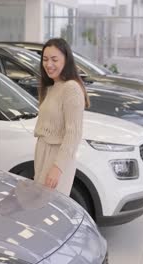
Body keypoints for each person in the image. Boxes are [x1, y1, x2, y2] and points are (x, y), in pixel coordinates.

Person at [33, 38, 90, 195]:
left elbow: (73, 133)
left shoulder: (71, 88)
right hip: (43, 153)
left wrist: (57, 168)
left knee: (48, 207)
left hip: (57, 157)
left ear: (66, 60)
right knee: (40, 206)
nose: (48, 64)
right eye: (45, 59)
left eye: (54, 59)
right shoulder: (51, 87)